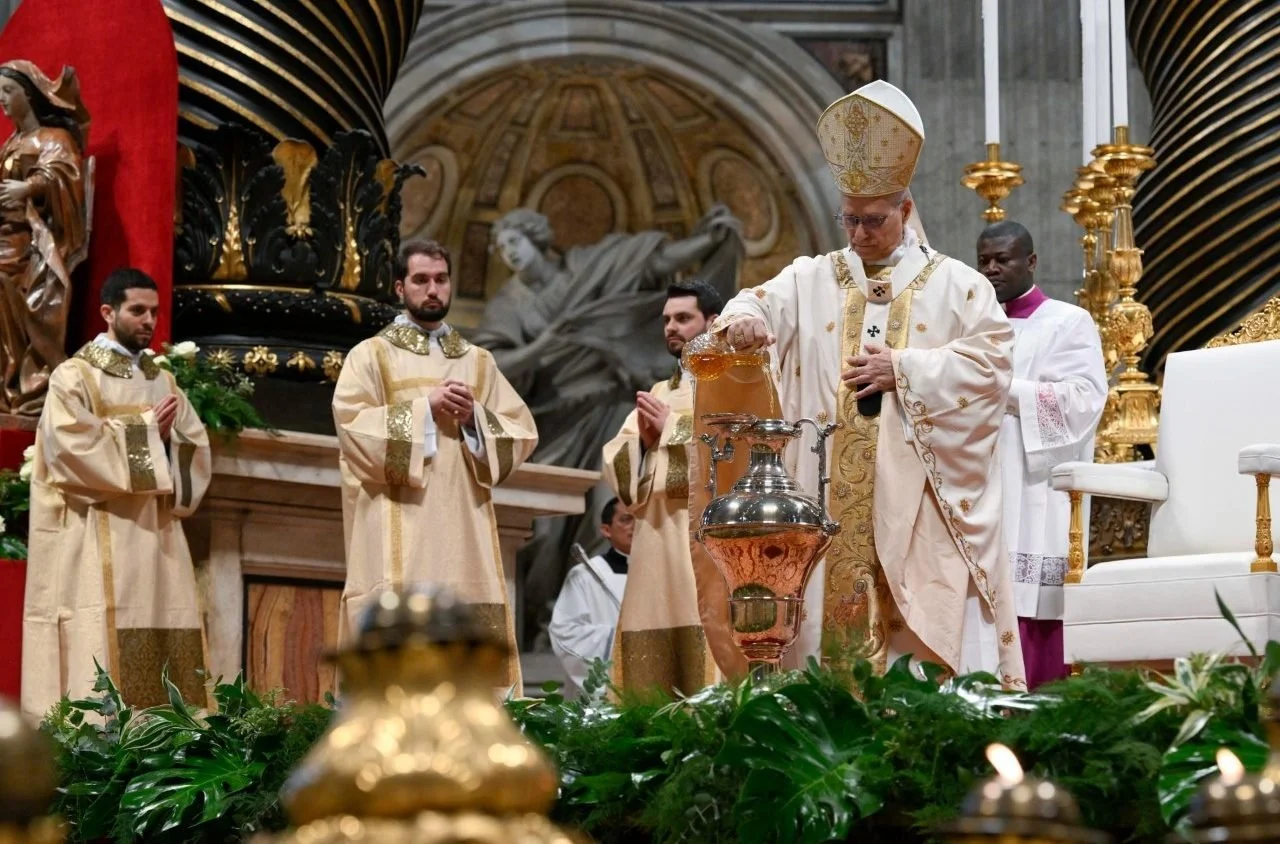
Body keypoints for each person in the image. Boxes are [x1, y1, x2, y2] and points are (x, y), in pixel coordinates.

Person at [711, 80, 1026, 687]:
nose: (857, 234)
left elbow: (992, 365)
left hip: (917, 500)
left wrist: (902, 369)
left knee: (912, 648)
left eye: (873, 221)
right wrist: (743, 320)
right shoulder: (812, 278)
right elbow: (748, 303)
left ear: (906, 211)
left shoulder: (958, 286)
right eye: (848, 219)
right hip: (827, 495)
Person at [471, 206, 743, 648]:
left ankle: (595, 613)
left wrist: (707, 242)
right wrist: (547, 344)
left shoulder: (587, 265)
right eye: (501, 249)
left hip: (613, 403)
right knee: (547, 531)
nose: (509, 254)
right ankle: (550, 618)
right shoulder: (509, 304)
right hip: (559, 417)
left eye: (513, 242)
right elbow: (489, 365)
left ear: (536, 236)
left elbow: (651, 262)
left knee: (608, 506)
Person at [333, 239, 538, 690]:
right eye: (422, 280)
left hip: (465, 527)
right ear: (400, 287)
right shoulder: (371, 355)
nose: (432, 290)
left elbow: (522, 431)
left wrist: (473, 420)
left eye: (441, 280)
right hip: (398, 526)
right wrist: (424, 408)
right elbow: (352, 428)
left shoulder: (477, 362)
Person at [21, 268, 211, 718]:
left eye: (155, 313)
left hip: (156, 536)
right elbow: (70, 448)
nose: (149, 321)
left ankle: (166, 738)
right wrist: (147, 431)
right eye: (138, 311)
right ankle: (101, 748)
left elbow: (192, 444)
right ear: (108, 313)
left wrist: (166, 440)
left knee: (161, 622)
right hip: (97, 535)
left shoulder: (162, 379)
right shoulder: (75, 376)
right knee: (100, 630)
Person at [977, 220, 1107, 688]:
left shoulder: (1067, 321)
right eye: (984, 260)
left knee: (1032, 604)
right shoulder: (968, 326)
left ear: (1030, 261)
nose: (991, 269)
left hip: (1034, 483)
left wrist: (1005, 391)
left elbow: (1084, 401)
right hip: (977, 480)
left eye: (1002, 259)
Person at [602, 280, 746, 693]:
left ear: (713, 322)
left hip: (709, 541)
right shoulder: (660, 392)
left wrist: (674, 428)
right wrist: (646, 443)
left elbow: (740, 449)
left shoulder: (734, 383)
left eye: (683, 318)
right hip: (655, 543)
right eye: (667, 319)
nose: (671, 327)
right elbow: (617, 467)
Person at [0, 60, 90, 417]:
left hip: (33, 244)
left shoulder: (55, 138)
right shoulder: (11, 142)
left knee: (9, 284)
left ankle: (33, 385)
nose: (1, 100)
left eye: (8, 91)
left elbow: (65, 175)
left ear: (29, 94)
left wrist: (30, 186)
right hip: (6, 236)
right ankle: (7, 385)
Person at [548, 497, 632, 694]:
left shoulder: (659, 577)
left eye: (640, 520)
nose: (635, 527)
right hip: (600, 699)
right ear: (606, 530)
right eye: (626, 519)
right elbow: (565, 633)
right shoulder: (585, 575)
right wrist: (617, 638)